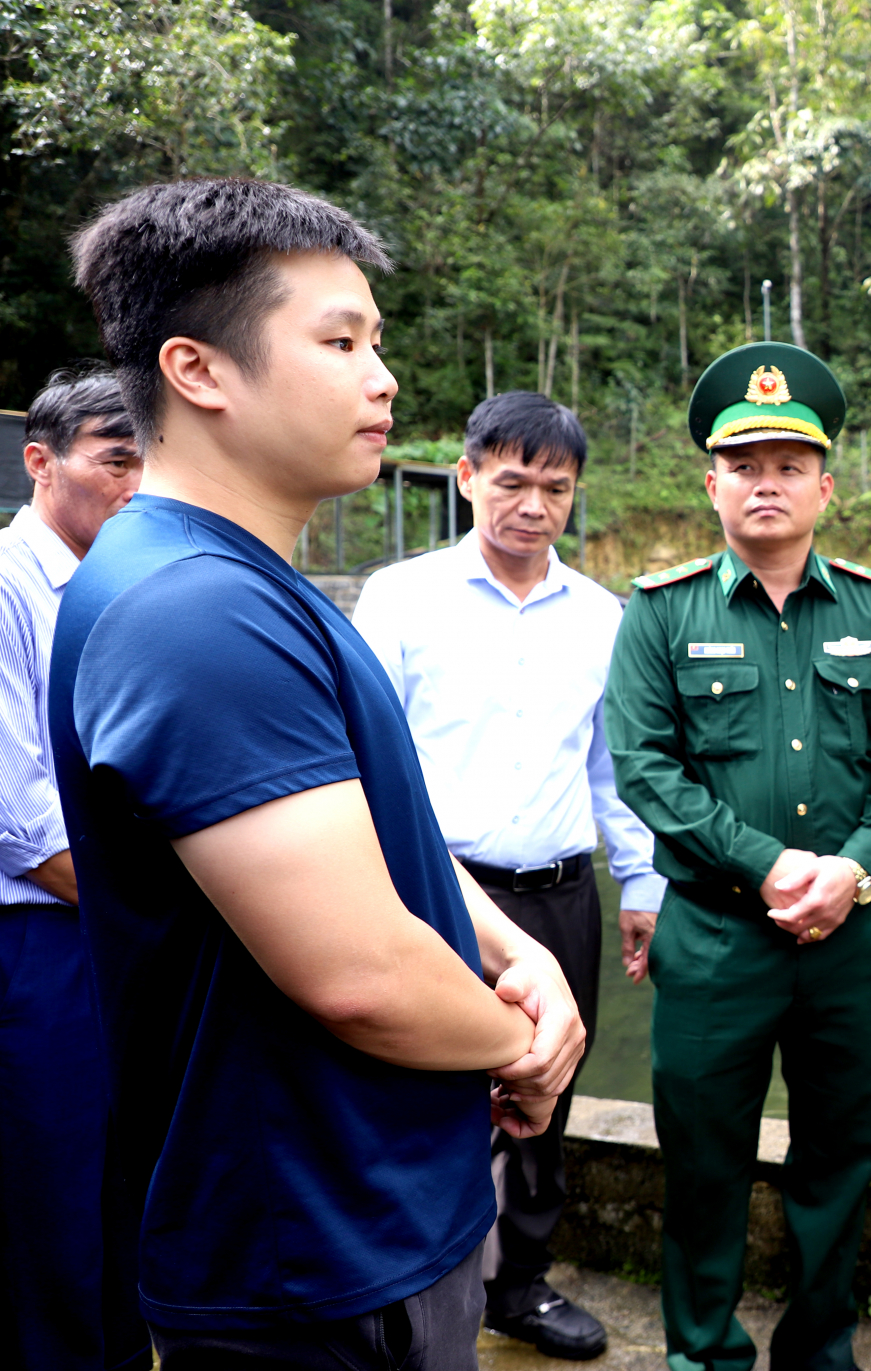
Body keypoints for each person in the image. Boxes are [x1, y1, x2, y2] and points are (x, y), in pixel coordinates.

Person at [55, 177, 586, 1370]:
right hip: (307, 1252)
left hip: (374, 1205)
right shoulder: (192, 613)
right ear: (199, 371)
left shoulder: (252, 584)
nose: (381, 375)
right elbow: (358, 974)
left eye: (377, 342)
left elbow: (374, 849)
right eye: (338, 341)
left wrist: (516, 951)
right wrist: (523, 1044)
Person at [604, 341, 871, 1371]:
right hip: (713, 940)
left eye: (789, 464)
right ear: (712, 483)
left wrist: (856, 867)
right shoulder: (662, 612)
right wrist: (767, 864)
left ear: (824, 486)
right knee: (703, 1165)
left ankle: (820, 1352)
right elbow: (646, 767)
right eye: (745, 463)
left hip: (853, 941)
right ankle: (703, 1353)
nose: (767, 482)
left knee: (837, 1163)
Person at [353, 389, 667, 1360]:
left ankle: (519, 1287)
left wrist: (642, 883)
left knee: (546, 1086)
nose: (532, 505)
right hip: (439, 892)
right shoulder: (401, 598)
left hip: (564, 890)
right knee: (423, 1084)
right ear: (468, 476)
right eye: (513, 481)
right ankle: (400, 1280)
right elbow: (370, 760)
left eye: (555, 487)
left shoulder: (603, 616)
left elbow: (612, 766)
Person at [0, 367, 146, 1371]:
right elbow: (21, 817)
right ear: (41, 463)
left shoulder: (128, 583)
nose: (137, 483)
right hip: (48, 939)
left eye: (149, 460)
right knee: (54, 1195)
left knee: (129, 1185)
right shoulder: (11, 588)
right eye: (116, 458)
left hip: (126, 929)